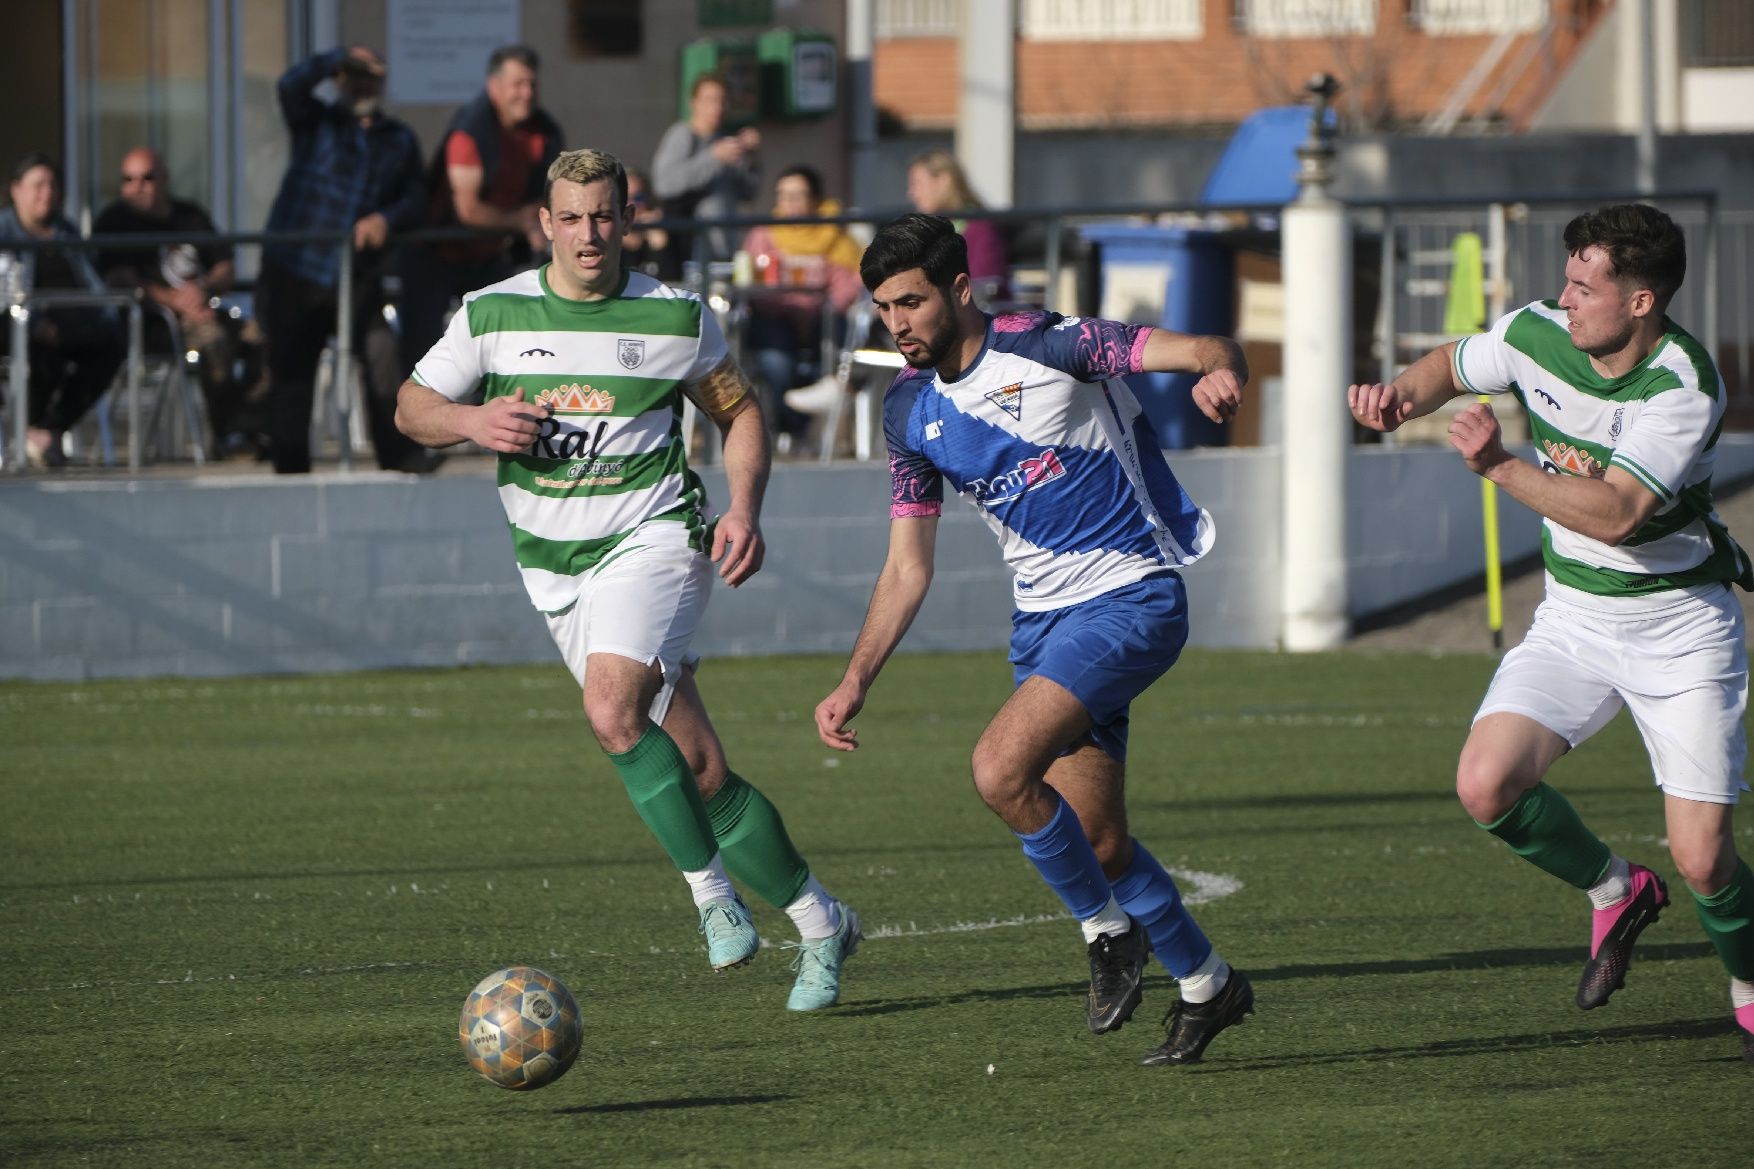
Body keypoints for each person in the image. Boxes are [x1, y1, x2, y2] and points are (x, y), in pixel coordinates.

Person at [394, 148, 862, 1011]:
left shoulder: (675, 317)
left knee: (610, 709)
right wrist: (471, 418)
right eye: (570, 217)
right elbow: (410, 405)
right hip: (553, 569)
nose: (588, 234)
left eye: (604, 215)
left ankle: (715, 903)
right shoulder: (491, 314)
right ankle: (823, 920)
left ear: (628, 216)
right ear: (545, 223)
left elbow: (740, 411)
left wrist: (744, 508)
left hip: (656, 542)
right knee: (699, 768)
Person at [813, 213, 1254, 1065]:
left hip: (1133, 595)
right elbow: (908, 564)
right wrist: (856, 676)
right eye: (883, 308)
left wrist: (1220, 375)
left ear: (961, 289)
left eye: (911, 301)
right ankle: (1207, 983)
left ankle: (1105, 935)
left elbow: (1206, 346)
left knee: (997, 769)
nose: (897, 323)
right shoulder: (907, 412)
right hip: (1043, 626)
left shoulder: (1055, 345)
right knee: (1099, 840)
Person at [1349, 203, 1754, 1063]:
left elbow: (1613, 513)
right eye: (1565, 279)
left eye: (1584, 285)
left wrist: (1500, 466)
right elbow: (1453, 364)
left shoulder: (1683, 387)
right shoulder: (1538, 332)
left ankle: (1751, 987)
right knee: (1486, 784)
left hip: (1681, 632)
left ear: (1640, 301)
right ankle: (1617, 888)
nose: (1563, 298)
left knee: (1706, 856)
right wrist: (1397, 399)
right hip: (1574, 618)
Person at [259, 44, 432, 475]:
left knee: (381, 358)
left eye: (371, 77)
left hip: (355, 274)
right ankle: (290, 470)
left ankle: (400, 457)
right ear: (339, 80)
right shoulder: (316, 122)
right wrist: (335, 57)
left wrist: (385, 219)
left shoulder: (398, 139)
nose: (363, 85)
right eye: (354, 76)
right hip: (295, 268)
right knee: (292, 372)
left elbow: (417, 199)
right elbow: (288, 86)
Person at [398, 44, 564, 378]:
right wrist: (520, 220)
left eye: (532, 84)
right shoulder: (470, 131)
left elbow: (551, 194)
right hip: (436, 255)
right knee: (426, 358)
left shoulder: (544, 133)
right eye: (518, 84)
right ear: (494, 87)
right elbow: (468, 211)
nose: (527, 93)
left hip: (491, 256)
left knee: (513, 340)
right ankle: (416, 426)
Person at [93, 147, 260, 456]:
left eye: (146, 178)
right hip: (155, 323)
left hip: (206, 309)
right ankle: (230, 434)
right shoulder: (115, 221)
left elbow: (225, 265)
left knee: (265, 336)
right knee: (214, 341)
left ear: (164, 179)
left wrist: (205, 288)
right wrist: (177, 301)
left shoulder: (190, 216)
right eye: (127, 179)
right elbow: (121, 279)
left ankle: (254, 421)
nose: (136, 186)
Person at [0, 154, 125, 468]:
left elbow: (91, 282)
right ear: (16, 190)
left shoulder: (65, 231)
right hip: (23, 327)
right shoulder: (5, 233)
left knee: (112, 345)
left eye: (52, 185)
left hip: (75, 323)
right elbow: (5, 294)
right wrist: (36, 324)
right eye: (38, 185)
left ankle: (50, 430)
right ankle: (31, 430)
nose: (47, 193)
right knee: (41, 351)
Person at [736, 165, 864, 442]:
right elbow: (751, 283)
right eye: (783, 195)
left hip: (822, 320)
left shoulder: (834, 235)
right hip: (774, 317)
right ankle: (792, 432)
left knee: (828, 357)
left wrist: (820, 308)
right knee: (776, 362)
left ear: (814, 199)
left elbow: (850, 282)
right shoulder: (764, 235)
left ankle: (812, 435)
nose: (790, 203)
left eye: (798, 195)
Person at [652, 72, 760, 264]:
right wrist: (712, 158)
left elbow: (748, 192)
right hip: (691, 248)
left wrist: (751, 157)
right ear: (693, 103)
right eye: (710, 99)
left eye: (723, 100)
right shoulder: (682, 135)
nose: (717, 107)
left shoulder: (724, 140)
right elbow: (665, 184)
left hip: (725, 248)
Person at [906, 150, 1008, 304]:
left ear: (943, 181)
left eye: (917, 183)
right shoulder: (924, 231)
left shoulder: (980, 228)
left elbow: (983, 287)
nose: (911, 193)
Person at [621, 168, 679, 281]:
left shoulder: (665, 232)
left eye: (638, 198)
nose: (632, 205)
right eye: (625, 198)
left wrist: (660, 247)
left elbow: (673, 284)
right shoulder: (608, 241)